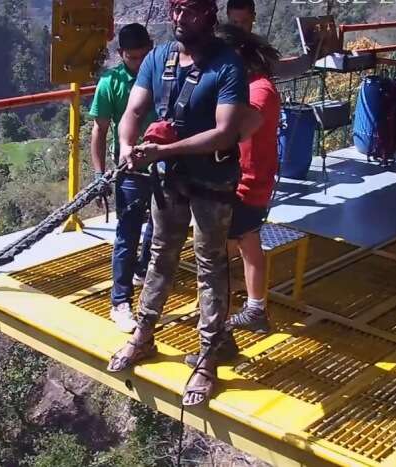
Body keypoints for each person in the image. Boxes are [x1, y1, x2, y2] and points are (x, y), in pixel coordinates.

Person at [106, 0, 248, 407]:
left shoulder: (228, 66)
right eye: (175, 9)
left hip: (211, 180)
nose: (179, 18)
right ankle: (145, 334)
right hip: (170, 179)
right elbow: (133, 110)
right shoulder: (159, 59)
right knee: (159, 254)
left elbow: (224, 133)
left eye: (189, 10)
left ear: (209, 13)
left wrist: (164, 152)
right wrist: (128, 146)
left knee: (209, 263)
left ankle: (207, 359)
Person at [215, 25, 282, 336]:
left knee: (222, 253)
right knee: (247, 241)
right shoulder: (254, 86)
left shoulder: (258, 91)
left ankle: (219, 324)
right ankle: (255, 308)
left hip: (246, 182)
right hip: (252, 180)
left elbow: (235, 130)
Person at [89, 23, 155, 333]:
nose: (139, 64)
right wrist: (99, 173)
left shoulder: (162, 75)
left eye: (144, 56)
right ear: (121, 55)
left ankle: (143, 272)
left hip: (165, 165)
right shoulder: (110, 83)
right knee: (127, 234)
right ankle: (120, 301)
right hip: (130, 170)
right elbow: (100, 130)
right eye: (132, 58)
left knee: (159, 229)